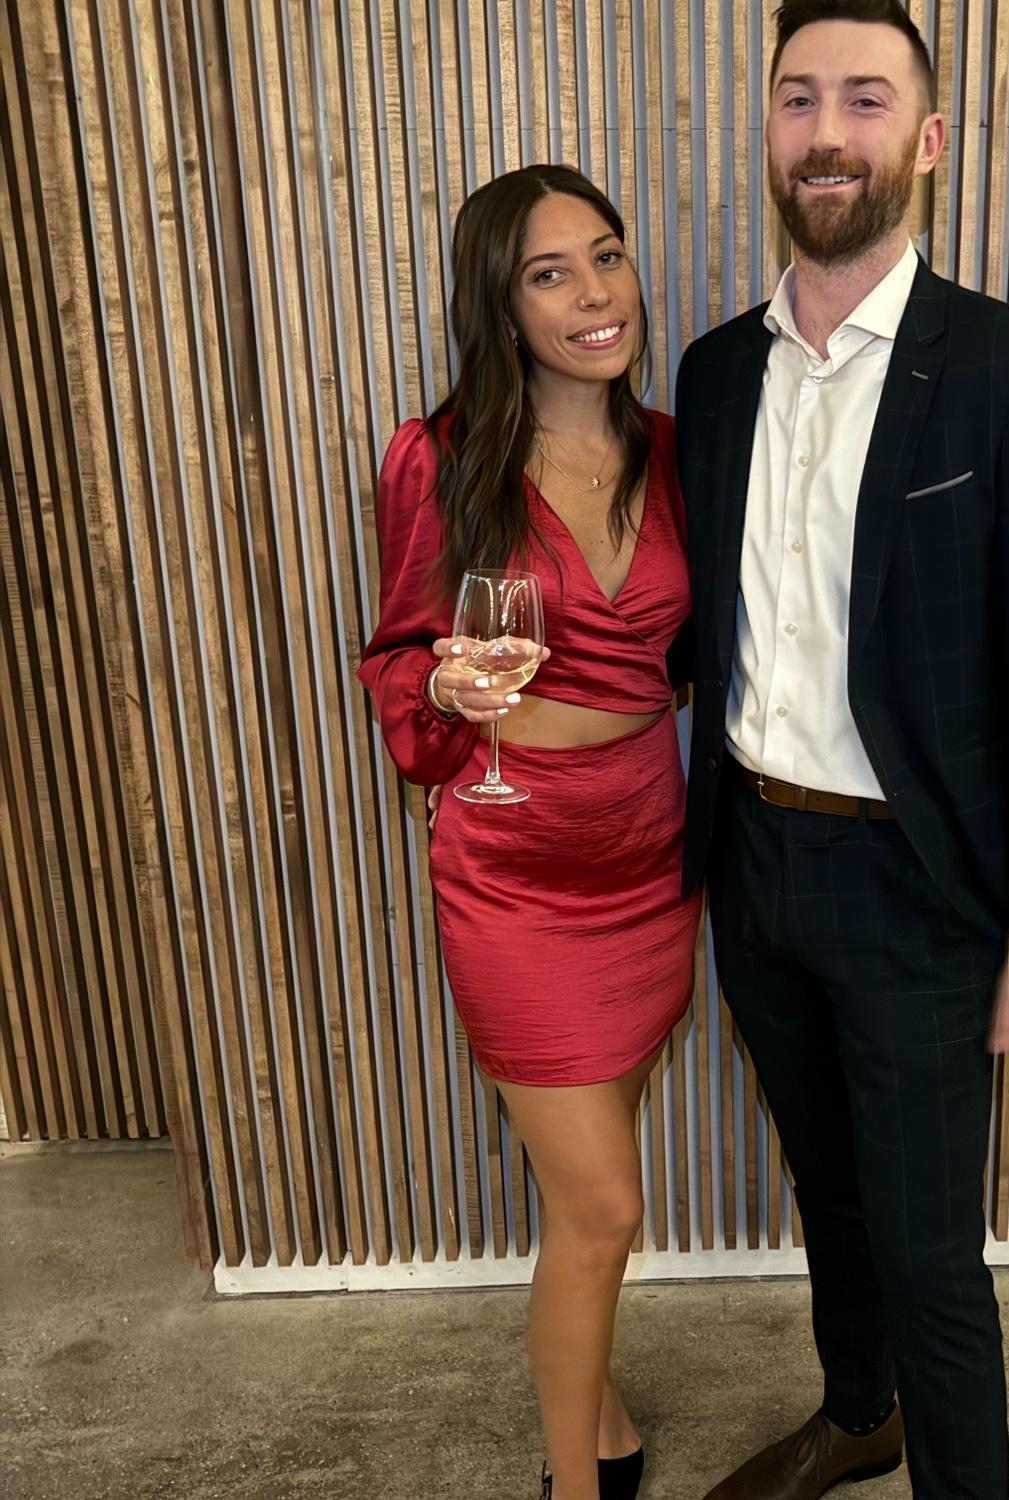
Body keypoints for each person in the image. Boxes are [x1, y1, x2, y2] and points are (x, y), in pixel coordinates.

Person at [674, 2, 1009, 1496]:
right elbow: (702, 621)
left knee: (932, 1258)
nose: (827, 132)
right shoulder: (715, 373)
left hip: (918, 889)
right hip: (755, 865)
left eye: (865, 100)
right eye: (799, 98)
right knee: (834, 1195)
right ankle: (859, 1414)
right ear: (770, 132)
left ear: (926, 141)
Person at [358, 163, 697, 1500]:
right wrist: (441, 690)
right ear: (501, 307)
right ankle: (573, 1477)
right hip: (514, 872)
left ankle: (602, 1420)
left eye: (606, 256)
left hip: (651, 857)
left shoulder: (678, 449)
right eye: (549, 274)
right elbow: (400, 649)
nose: (593, 293)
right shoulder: (438, 457)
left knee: (579, 1202)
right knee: (607, 1206)